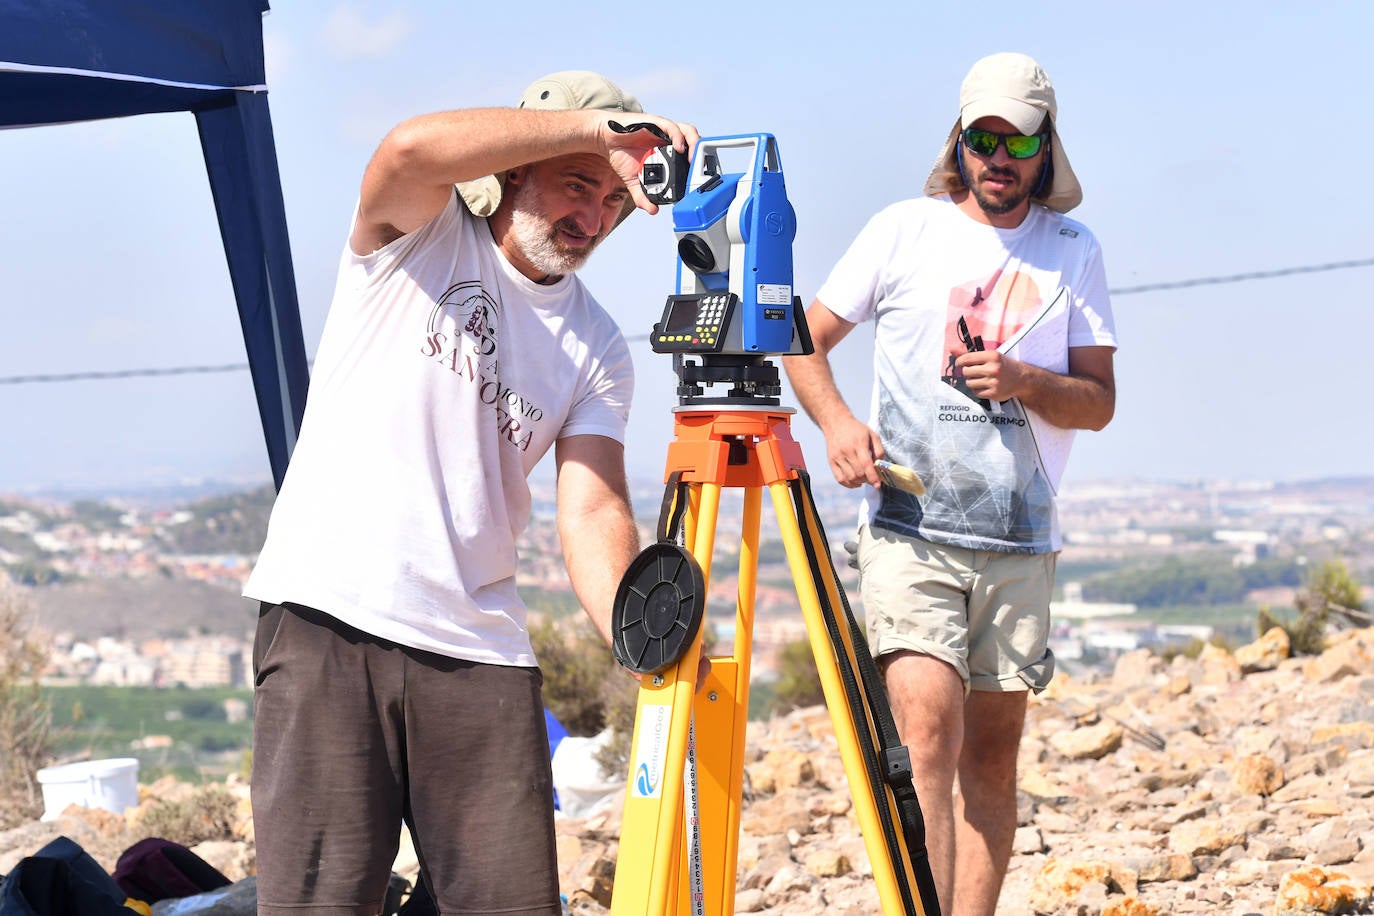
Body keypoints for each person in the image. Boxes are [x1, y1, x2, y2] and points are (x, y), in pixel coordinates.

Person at [241, 71, 696, 915]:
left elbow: (592, 507)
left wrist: (637, 639)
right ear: (518, 165)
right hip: (325, 620)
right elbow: (409, 148)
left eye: (611, 203)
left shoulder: (598, 343)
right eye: (575, 183)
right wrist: (609, 133)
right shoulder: (419, 236)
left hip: (478, 649)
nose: (593, 218)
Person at [783, 53, 1118, 916]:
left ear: (1047, 148)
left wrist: (1027, 382)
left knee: (991, 760)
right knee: (924, 737)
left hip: (1018, 543)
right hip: (910, 531)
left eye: (1019, 138)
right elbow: (800, 339)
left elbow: (1100, 403)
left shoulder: (1074, 252)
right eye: (983, 137)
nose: (999, 156)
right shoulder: (902, 230)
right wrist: (838, 426)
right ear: (959, 141)